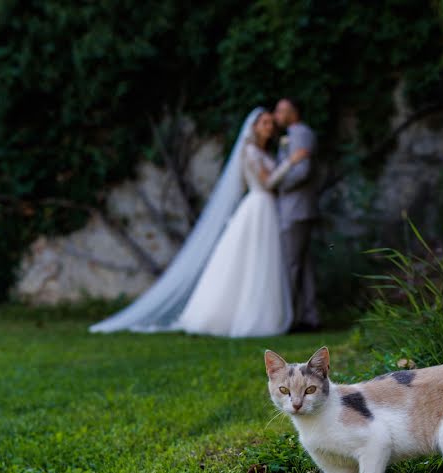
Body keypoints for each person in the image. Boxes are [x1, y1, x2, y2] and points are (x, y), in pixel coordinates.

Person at [89, 108, 307, 337]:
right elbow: (266, 182)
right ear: (253, 127)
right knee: (253, 261)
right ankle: (243, 317)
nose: (269, 127)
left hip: (266, 209)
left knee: (264, 262)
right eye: (264, 123)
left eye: (271, 124)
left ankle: (266, 315)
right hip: (258, 205)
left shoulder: (263, 151)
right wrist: (290, 163)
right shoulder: (250, 151)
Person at [273, 98, 321, 332]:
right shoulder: (292, 134)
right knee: (302, 265)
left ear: (293, 112)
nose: (276, 115)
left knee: (292, 265)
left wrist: (277, 185)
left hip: (296, 208)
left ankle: (290, 318)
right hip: (298, 209)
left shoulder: (300, 133)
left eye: (280, 110)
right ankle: (308, 316)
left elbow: (302, 171)